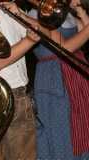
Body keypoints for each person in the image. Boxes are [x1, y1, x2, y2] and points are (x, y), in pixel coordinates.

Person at [0, 0, 52, 159]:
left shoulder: (8, 10)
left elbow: (47, 34)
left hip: (20, 96)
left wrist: (20, 15)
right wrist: (28, 40)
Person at [27, 0, 89, 159]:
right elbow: (65, 48)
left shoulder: (63, 13)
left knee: (82, 120)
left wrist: (80, 10)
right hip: (55, 74)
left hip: (75, 70)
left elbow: (84, 29)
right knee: (62, 123)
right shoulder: (37, 16)